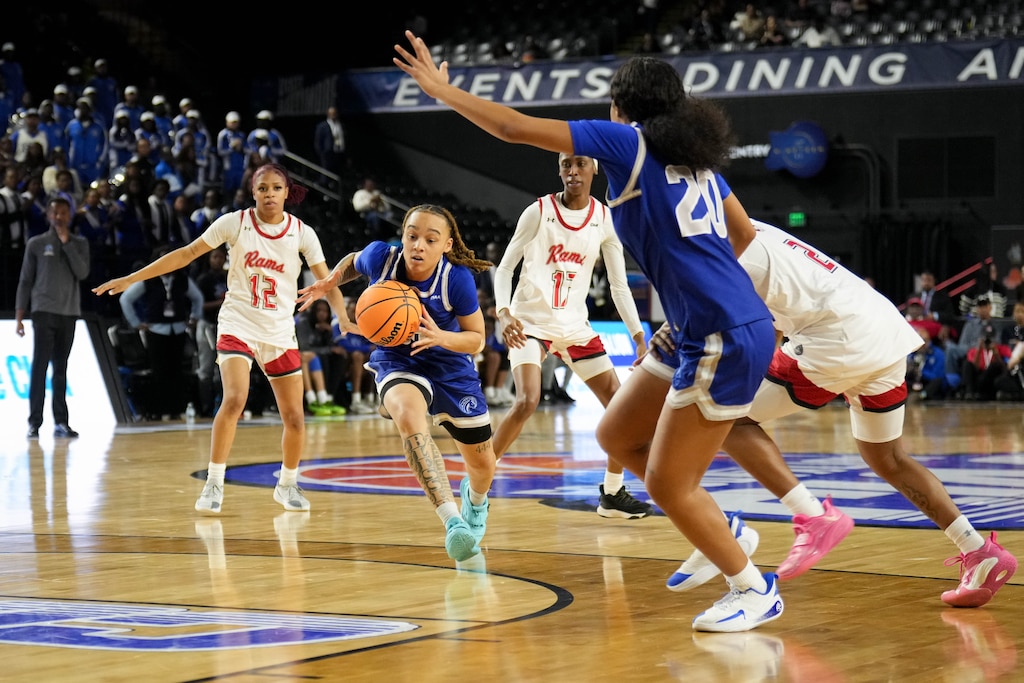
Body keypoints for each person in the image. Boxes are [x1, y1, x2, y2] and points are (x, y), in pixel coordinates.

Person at [394, 34, 779, 630]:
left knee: (667, 484)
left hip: (720, 334)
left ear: (621, 108)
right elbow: (745, 237)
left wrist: (444, 91)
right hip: (716, 323)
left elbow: (514, 128)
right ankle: (719, 529)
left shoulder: (628, 142)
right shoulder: (695, 158)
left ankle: (751, 587)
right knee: (616, 432)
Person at [608, 220, 1017, 610]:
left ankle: (808, 515)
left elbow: (749, 334)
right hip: (881, 330)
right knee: (886, 457)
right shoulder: (739, 229)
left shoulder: (715, 253)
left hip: (836, 339)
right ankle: (979, 551)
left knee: (726, 412)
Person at [93, 163, 350, 514]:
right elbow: (185, 254)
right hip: (238, 324)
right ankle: (214, 481)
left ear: (287, 192)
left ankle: (287, 484)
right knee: (234, 400)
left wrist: (343, 318)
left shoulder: (302, 232)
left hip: (278, 330)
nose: (270, 194)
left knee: (294, 416)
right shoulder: (235, 222)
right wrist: (132, 278)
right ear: (253, 192)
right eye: (263, 188)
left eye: (277, 188)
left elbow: (327, 280)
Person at [298, 204, 496, 563]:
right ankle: (453, 524)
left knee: (484, 466)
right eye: (412, 235)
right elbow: (353, 260)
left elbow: (477, 340)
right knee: (408, 415)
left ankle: (476, 504)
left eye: (430, 239)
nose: (418, 245)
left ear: (446, 245)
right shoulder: (382, 258)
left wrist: (440, 337)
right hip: (398, 360)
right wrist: (330, 281)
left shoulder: (456, 280)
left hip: (451, 365)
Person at [492, 152, 652, 519]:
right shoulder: (539, 212)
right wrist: (504, 313)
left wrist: (638, 336)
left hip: (576, 328)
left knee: (621, 411)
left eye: (580, 163)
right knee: (527, 400)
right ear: (559, 170)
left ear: (594, 168)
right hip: (530, 323)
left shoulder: (604, 219)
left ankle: (612, 494)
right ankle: (478, 478)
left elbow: (618, 286)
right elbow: (504, 270)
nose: (573, 170)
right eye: (566, 164)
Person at [15, 196, 91, 438]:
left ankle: (61, 422)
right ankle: (34, 423)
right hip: (43, 311)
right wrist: (19, 316)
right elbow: (25, 280)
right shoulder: (36, 244)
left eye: (63, 212)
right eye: (55, 212)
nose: (59, 216)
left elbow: (82, 272)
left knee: (61, 368)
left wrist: (66, 244)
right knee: (39, 367)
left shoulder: (80, 243)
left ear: (69, 216)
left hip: (68, 313)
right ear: (48, 215)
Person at [118, 244, 204, 420]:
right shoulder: (148, 279)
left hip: (178, 329)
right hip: (157, 331)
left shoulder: (182, 278)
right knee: (160, 372)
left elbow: (198, 298)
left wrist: (194, 317)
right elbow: (125, 298)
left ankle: (178, 409)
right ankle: (162, 410)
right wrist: (136, 323)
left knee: (178, 371)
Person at [313, 105, 346, 186]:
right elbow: (318, 141)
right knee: (326, 169)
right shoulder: (322, 126)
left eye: (335, 113)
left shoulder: (341, 125)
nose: (334, 115)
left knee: (337, 169)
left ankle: (335, 184)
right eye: (332, 114)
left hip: (338, 150)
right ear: (328, 114)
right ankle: (324, 183)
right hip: (327, 151)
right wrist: (321, 152)